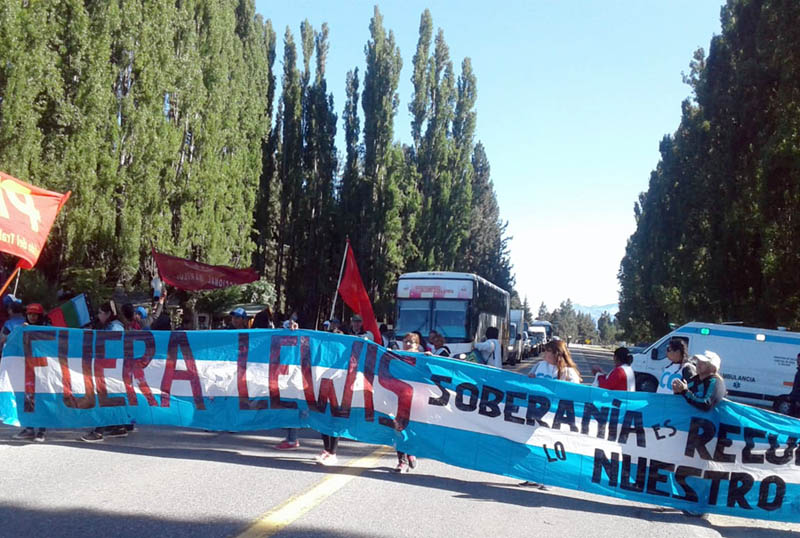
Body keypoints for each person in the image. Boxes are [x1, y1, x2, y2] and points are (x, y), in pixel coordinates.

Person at [81, 302, 126, 442]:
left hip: (111, 368)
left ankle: (98, 431)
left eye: (101, 312)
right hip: (113, 367)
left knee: (103, 398)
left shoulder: (115, 328)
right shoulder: (113, 326)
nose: (98, 315)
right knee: (110, 397)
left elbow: (111, 347)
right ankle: (118, 426)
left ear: (108, 314)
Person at [12, 303, 50, 442]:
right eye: (30, 314)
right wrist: (19, 333)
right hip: (26, 368)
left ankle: (41, 431)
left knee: (42, 399)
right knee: (27, 398)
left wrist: (35, 332)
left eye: (35, 314)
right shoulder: (21, 328)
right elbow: (10, 343)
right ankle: (29, 428)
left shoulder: (47, 329)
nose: (32, 317)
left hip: (43, 369)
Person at [393, 332, 422, 473]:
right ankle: (401, 462)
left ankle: (411, 453)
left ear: (417, 345)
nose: (408, 344)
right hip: (399, 398)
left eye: (411, 342)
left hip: (416, 400)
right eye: (406, 341)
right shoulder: (398, 357)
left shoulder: (423, 359)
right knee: (398, 428)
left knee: (412, 429)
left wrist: (429, 358)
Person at [275, 317, 301, 450]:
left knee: (293, 408)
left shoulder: (298, 341)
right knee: (288, 408)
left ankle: (292, 439)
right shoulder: (279, 342)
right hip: (284, 379)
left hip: (294, 380)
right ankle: (291, 438)